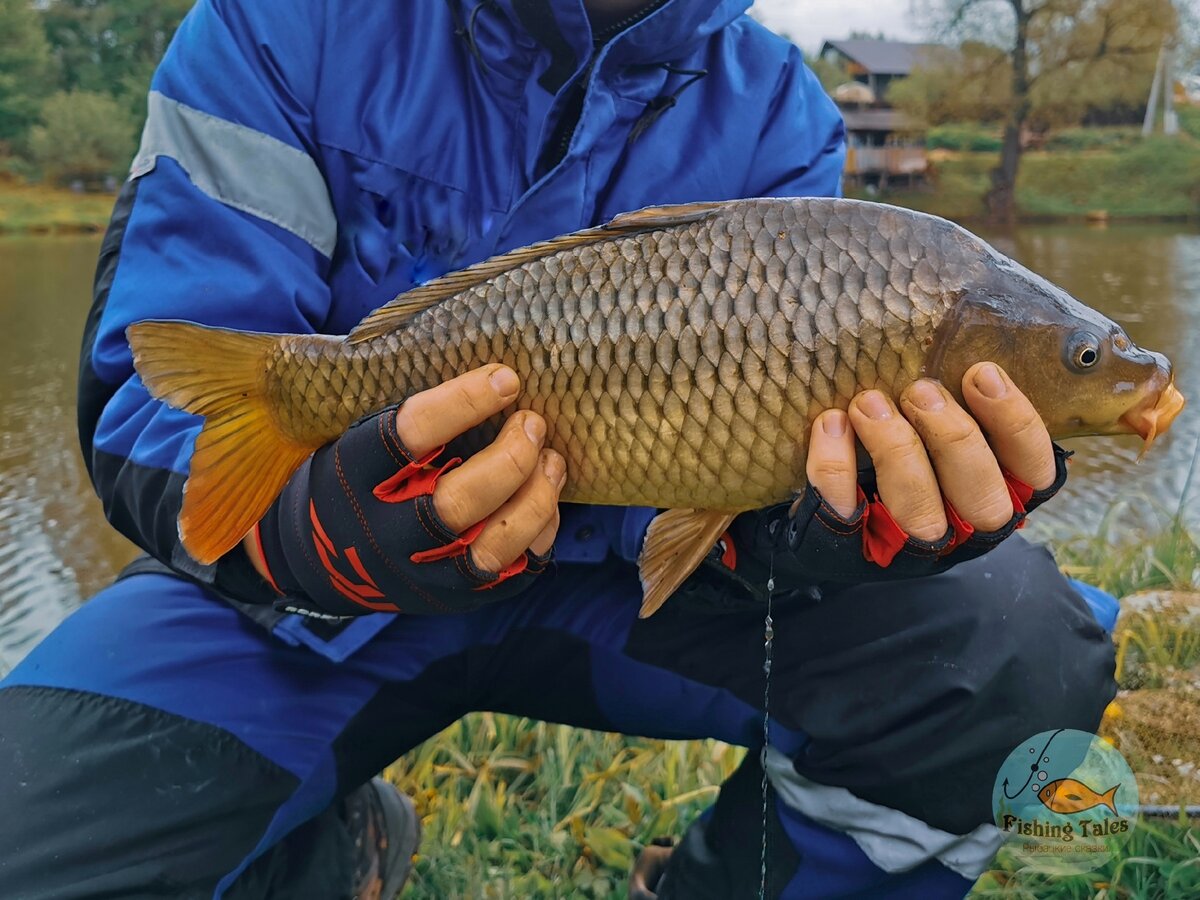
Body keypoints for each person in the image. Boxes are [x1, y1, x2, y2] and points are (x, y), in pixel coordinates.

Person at [0, 0, 1117, 897]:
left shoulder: (779, 108)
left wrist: (832, 530)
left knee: (1016, 646)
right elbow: (151, 409)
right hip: (318, 603)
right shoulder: (275, 23)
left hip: (629, 598)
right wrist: (310, 535)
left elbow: (763, 473)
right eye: (1078, 356)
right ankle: (338, 853)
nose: (1107, 374)